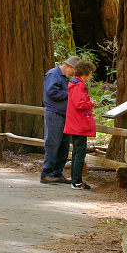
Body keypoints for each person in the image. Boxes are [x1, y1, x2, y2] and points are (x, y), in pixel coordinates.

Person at [40, 55, 80, 184]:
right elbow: (51, 92)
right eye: (74, 71)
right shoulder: (53, 74)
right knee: (53, 143)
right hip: (54, 114)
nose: (74, 74)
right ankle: (46, 173)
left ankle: (57, 173)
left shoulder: (65, 78)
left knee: (64, 144)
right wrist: (70, 94)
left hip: (65, 114)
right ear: (68, 66)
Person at [64, 59, 97, 190]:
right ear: (85, 73)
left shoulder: (75, 84)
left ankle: (75, 180)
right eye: (90, 74)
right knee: (79, 153)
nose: (91, 76)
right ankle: (77, 181)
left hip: (76, 123)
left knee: (77, 152)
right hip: (79, 124)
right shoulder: (78, 86)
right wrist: (91, 103)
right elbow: (79, 104)